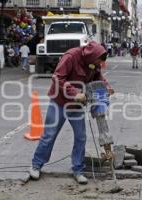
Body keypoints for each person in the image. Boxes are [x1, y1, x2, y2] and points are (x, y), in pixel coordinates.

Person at [29, 41, 113, 185]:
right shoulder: (71, 56)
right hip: (59, 102)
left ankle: (78, 169)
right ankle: (36, 165)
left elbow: (99, 78)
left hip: (77, 106)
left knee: (81, 137)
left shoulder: (94, 63)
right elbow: (57, 78)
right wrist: (75, 93)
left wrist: (106, 87)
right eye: (97, 61)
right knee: (49, 135)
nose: (98, 65)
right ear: (91, 56)